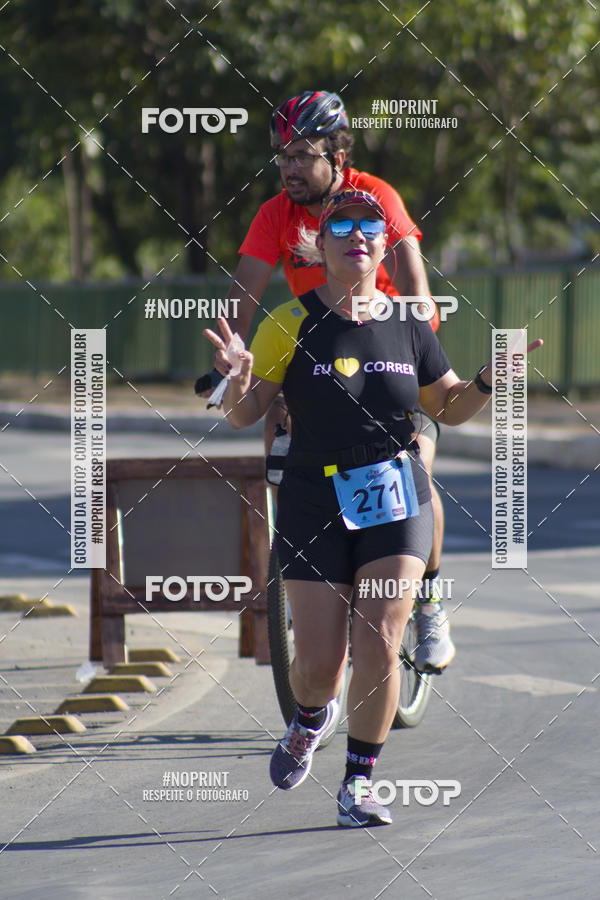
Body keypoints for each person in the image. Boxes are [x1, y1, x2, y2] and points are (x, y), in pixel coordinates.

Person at [205, 188, 542, 827]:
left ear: (384, 244)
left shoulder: (411, 323)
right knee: (319, 667)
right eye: (343, 227)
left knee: (382, 641)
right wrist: (237, 379)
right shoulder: (290, 321)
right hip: (311, 497)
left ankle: (358, 783)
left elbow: (445, 407)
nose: (357, 235)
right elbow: (244, 416)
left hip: (394, 494)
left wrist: (491, 381)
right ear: (319, 246)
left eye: (371, 226)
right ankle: (310, 718)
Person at [201, 90, 453, 672]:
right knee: (275, 428)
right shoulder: (275, 214)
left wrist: (417, 349)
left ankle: (431, 599)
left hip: (390, 350)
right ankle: (307, 571)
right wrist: (233, 355)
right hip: (318, 350)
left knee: (415, 468)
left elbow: (415, 283)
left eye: (302, 156)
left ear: (338, 155)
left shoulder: (375, 198)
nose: (289, 168)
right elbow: (245, 288)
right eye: (282, 157)